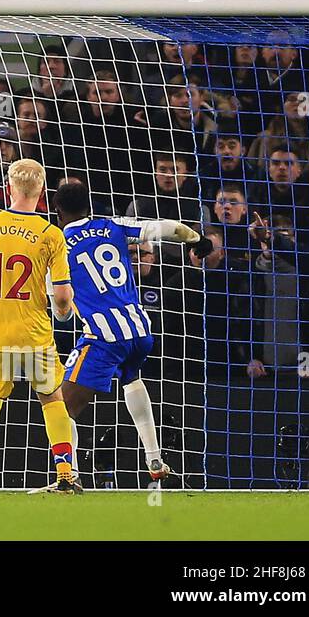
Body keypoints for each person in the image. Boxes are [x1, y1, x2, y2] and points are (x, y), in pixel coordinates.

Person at [51, 179, 215, 484]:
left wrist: (64, 309)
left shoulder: (59, 244)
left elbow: (61, 310)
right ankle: (154, 460)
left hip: (104, 336)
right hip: (139, 330)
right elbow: (169, 228)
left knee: (61, 406)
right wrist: (197, 240)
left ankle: (68, 476)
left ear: (57, 211)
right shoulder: (112, 224)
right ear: (89, 205)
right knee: (132, 379)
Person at [0, 157, 79, 494]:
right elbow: (62, 294)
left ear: (9, 186)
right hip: (34, 332)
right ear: (42, 191)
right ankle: (65, 472)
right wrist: (63, 312)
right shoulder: (51, 234)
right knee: (51, 398)